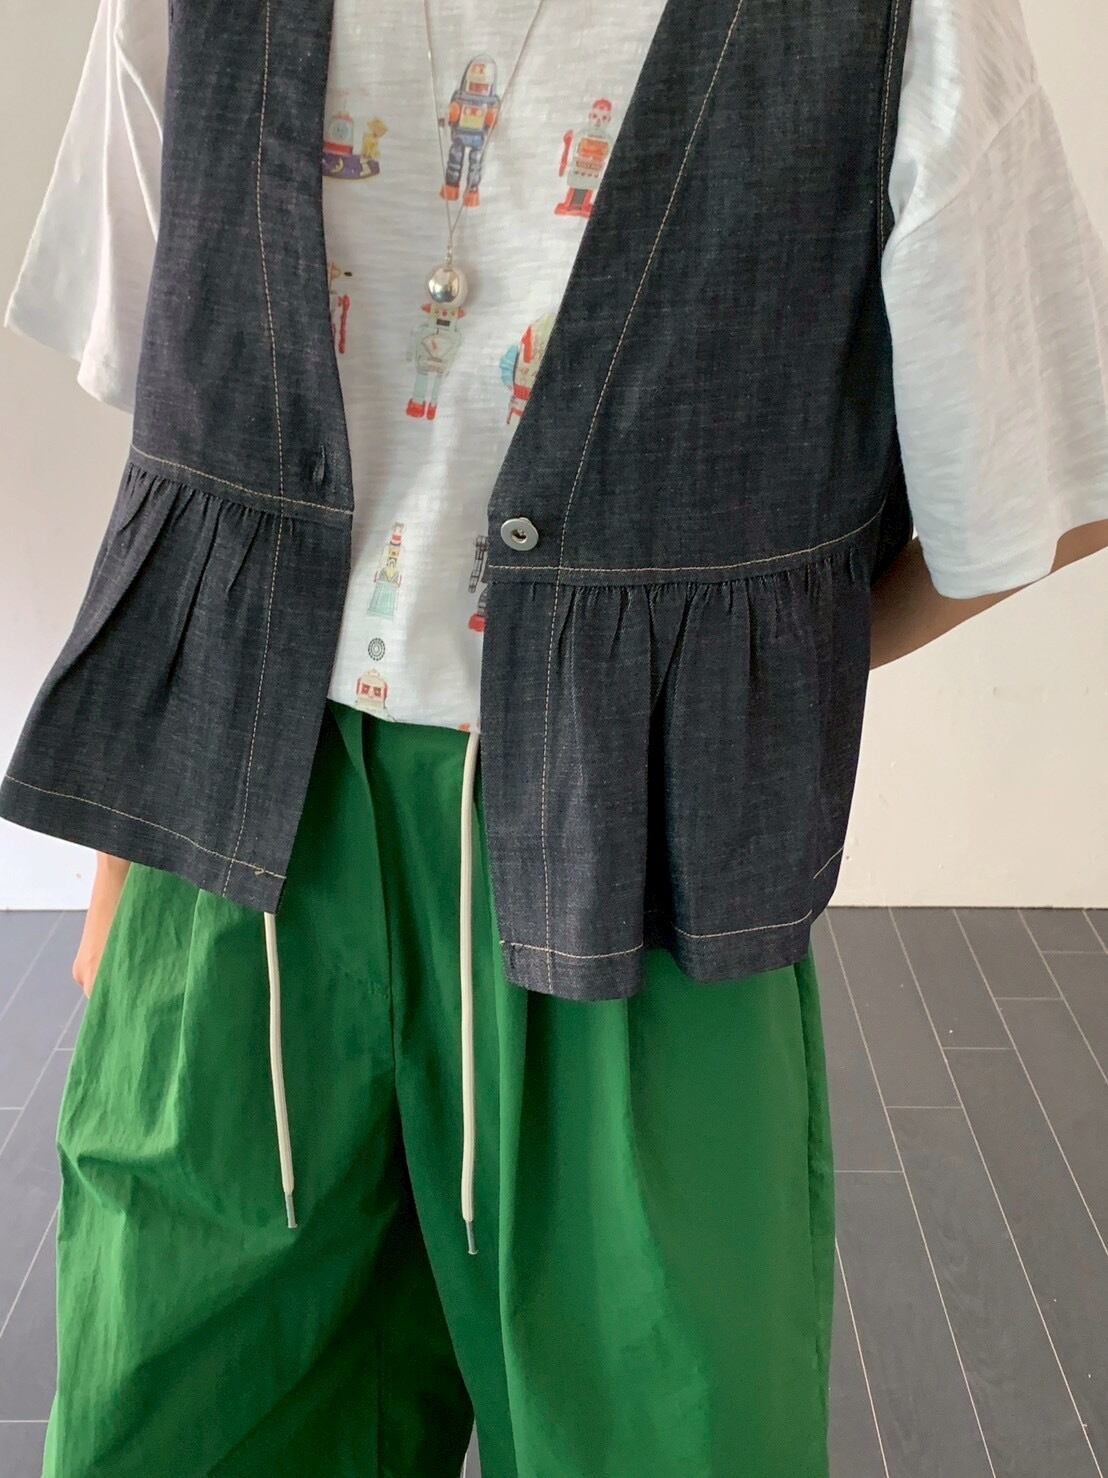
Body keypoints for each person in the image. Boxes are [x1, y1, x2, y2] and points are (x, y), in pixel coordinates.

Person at [3, 0, 1107, 1472]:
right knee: (183, 1415)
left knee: (661, 1430)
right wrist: (131, 852)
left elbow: (1035, 478)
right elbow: (179, 399)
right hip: (235, 857)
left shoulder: (902, 20)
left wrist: (719, 701)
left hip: (640, 883)